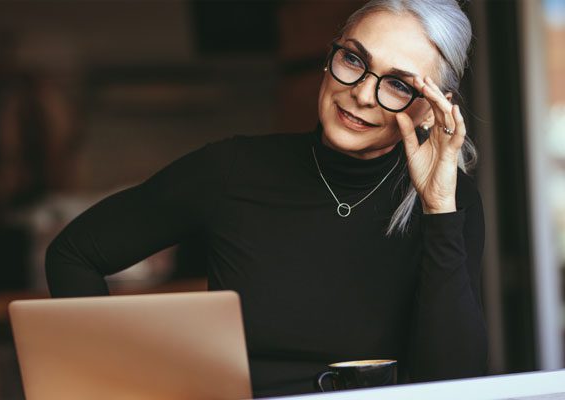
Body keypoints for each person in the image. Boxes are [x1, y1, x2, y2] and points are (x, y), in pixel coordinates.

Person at [45, 0, 488, 397]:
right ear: (330, 56)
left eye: (397, 85)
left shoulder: (451, 205)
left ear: (430, 108)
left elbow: (452, 384)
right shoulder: (231, 170)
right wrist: (109, 383)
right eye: (354, 59)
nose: (361, 93)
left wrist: (438, 209)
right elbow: (74, 254)